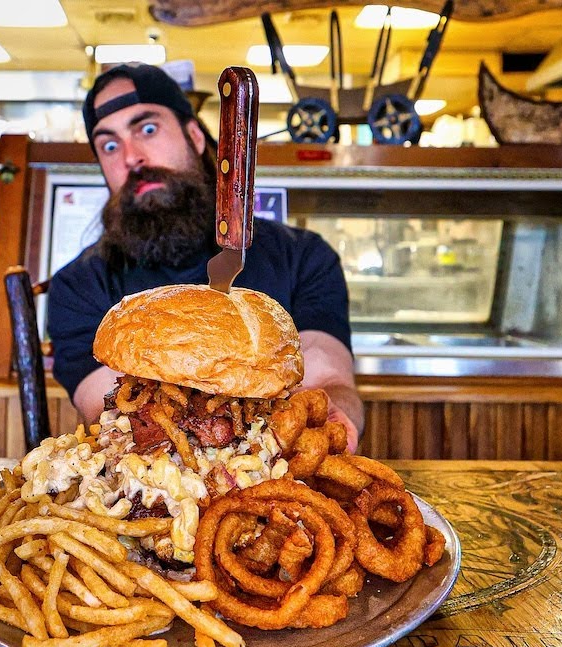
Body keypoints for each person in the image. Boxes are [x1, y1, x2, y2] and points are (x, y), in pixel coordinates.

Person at [46, 63, 363, 450]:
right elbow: (109, 410)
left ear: (195, 136)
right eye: (109, 145)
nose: (132, 156)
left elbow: (328, 380)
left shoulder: (304, 257)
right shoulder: (78, 285)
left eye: (147, 129)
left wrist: (331, 414)